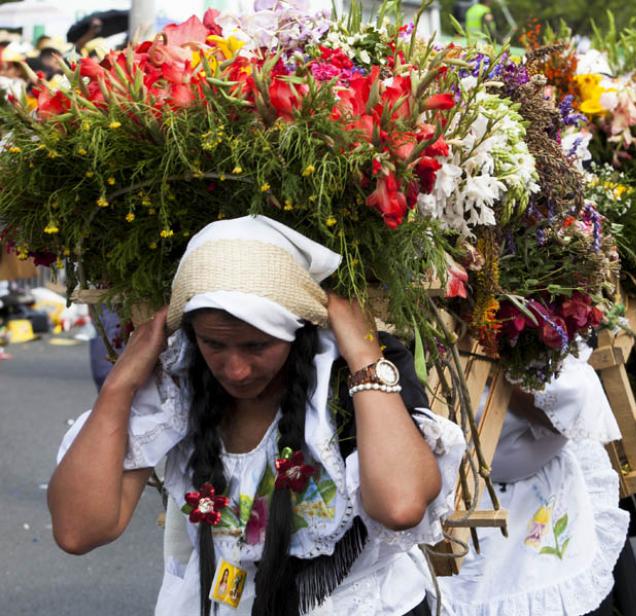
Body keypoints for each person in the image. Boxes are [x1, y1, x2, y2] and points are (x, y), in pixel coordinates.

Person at [48, 215, 466, 616]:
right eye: (215, 344)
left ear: (296, 329)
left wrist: (362, 354)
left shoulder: (346, 374)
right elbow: (78, 530)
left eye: (256, 346)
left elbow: (400, 505)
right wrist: (120, 386)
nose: (235, 370)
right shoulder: (180, 377)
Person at [420, 343, 630, 616]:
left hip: (543, 494)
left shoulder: (540, 361)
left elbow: (576, 401)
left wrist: (505, 369)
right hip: (459, 517)